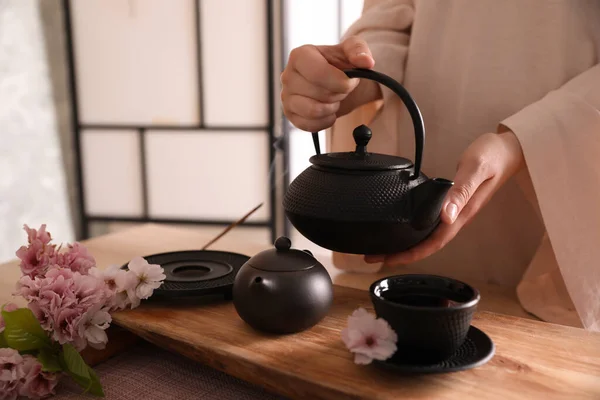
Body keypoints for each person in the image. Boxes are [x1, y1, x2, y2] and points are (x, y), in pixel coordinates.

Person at [280, 0, 600, 331]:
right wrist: (350, 80)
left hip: (557, 197)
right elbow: (395, 15)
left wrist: (522, 142)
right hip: (395, 242)